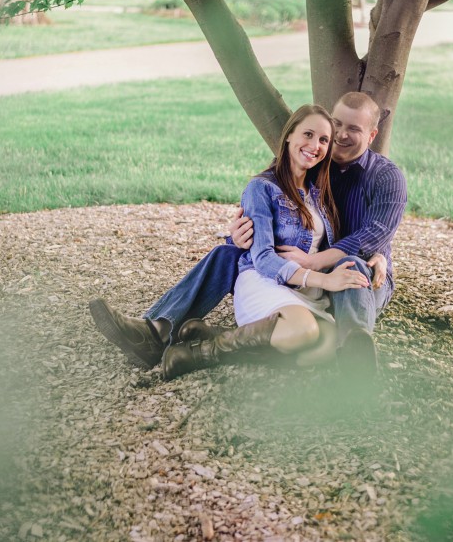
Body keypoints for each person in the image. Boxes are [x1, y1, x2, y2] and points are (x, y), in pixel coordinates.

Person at [88, 92, 406, 376]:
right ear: (290, 137)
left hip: (356, 275)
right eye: (335, 128)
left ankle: (349, 347)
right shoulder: (311, 173)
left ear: (372, 134)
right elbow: (269, 220)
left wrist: (372, 254)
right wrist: (239, 236)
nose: (337, 138)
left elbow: (375, 232)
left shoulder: (383, 176)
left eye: (354, 129)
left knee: (349, 276)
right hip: (297, 275)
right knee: (229, 253)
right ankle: (155, 330)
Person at [159, 104, 371, 378]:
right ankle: (201, 352)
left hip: (305, 294)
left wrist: (377, 256)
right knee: (303, 332)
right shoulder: (261, 188)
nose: (314, 145)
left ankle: (223, 336)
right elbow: (263, 258)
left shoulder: (320, 194)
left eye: (323, 140)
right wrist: (323, 280)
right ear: (288, 136)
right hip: (264, 281)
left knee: (321, 352)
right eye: (307, 134)